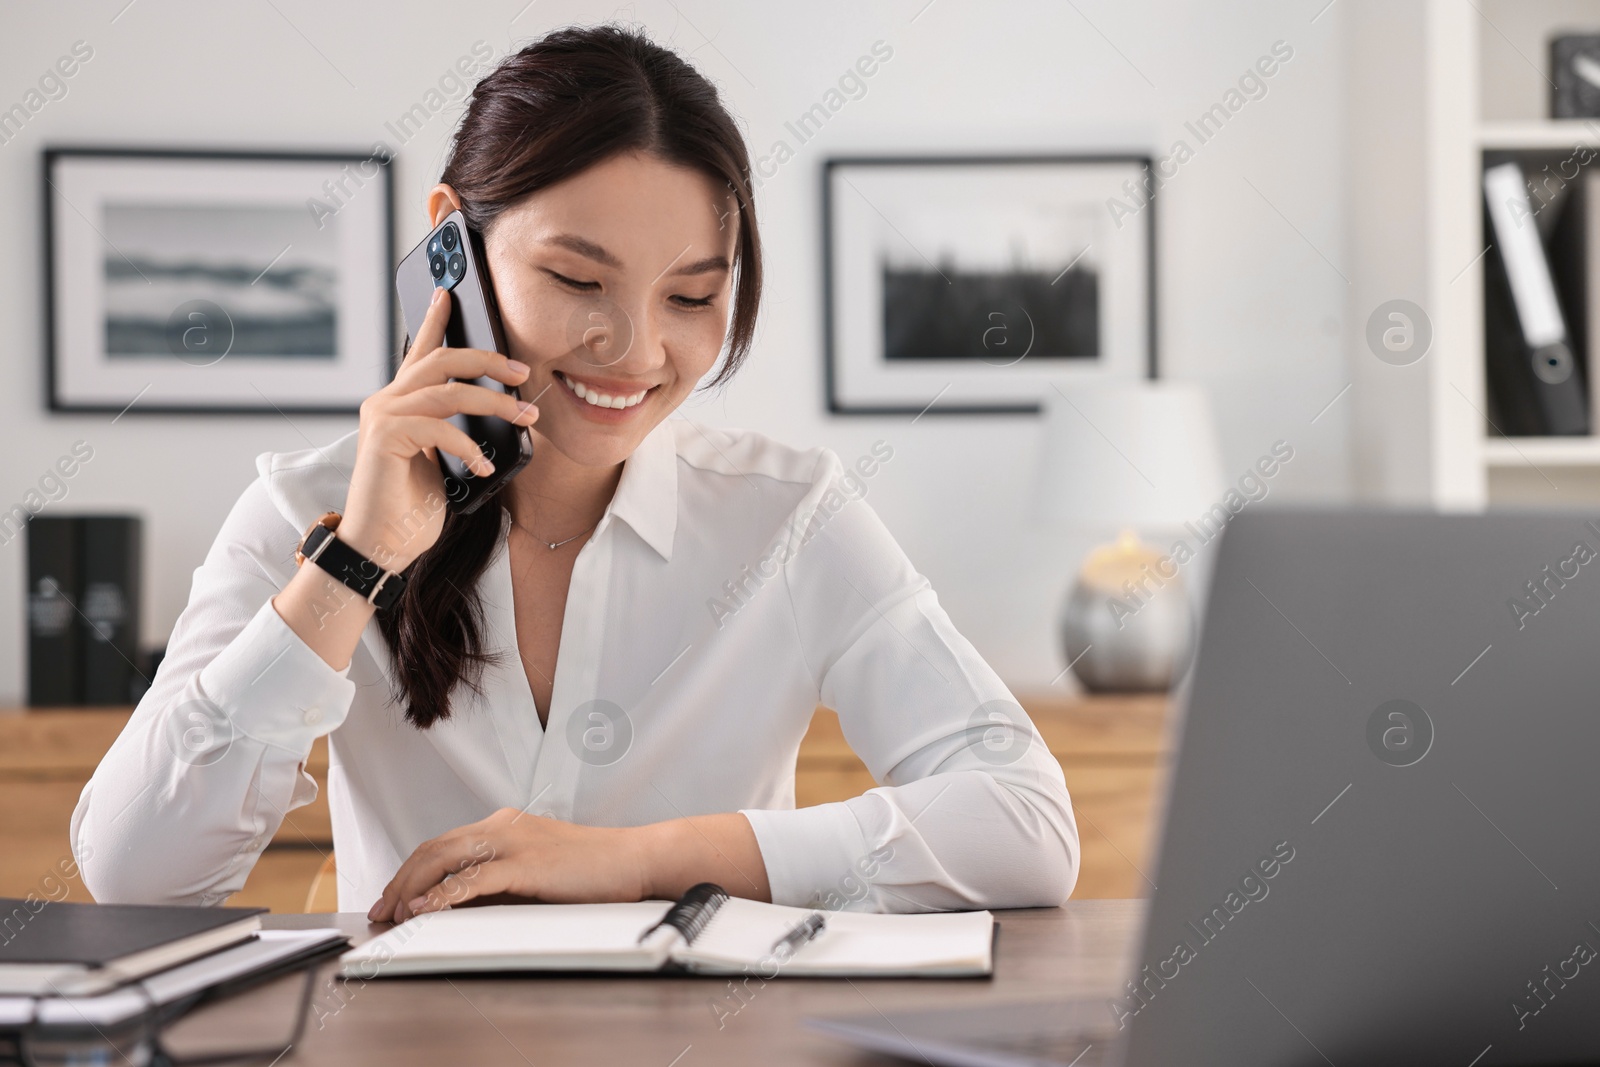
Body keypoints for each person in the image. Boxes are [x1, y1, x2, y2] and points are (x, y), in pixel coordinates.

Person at [71, 24, 1077, 922]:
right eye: (575, 279)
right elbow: (136, 875)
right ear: (450, 246)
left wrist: (640, 861)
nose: (634, 350)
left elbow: (1023, 821)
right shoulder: (303, 508)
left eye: (690, 296)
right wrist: (357, 561)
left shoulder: (789, 516)